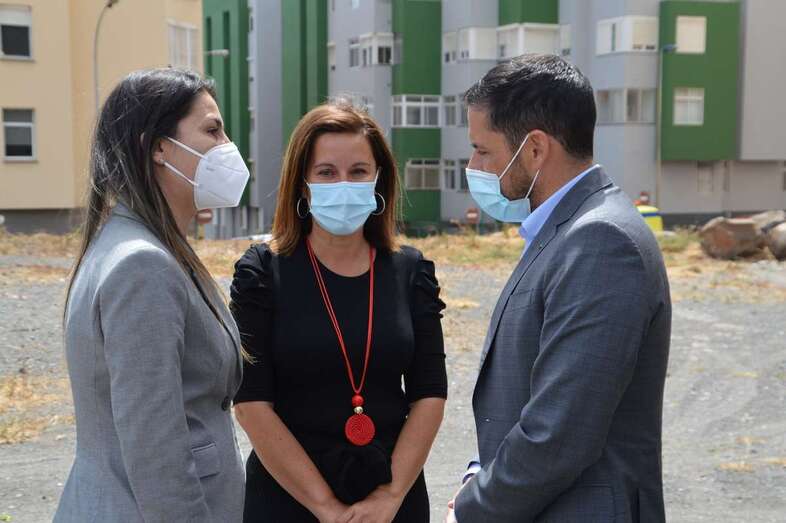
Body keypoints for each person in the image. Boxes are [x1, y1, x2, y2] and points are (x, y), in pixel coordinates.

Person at [447, 54, 671, 522]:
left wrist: (472, 510)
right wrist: (479, 474)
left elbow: (561, 431)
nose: (474, 165)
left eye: (483, 150)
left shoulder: (600, 240)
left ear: (534, 149)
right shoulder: (565, 229)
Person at [230, 99, 448, 523]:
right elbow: (251, 403)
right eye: (327, 172)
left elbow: (430, 393)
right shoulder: (262, 272)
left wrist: (389, 497)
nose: (343, 184)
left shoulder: (411, 271)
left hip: (391, 503)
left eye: (359, 171)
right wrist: (327, 509)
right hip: (289, 501)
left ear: (379, 180)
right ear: (302, 185)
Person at [55, 69, 248, 522]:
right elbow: (156, 449)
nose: (227, 146)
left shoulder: (132, 246)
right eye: (212, 130)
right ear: (158, 147)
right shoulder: (143, 265)